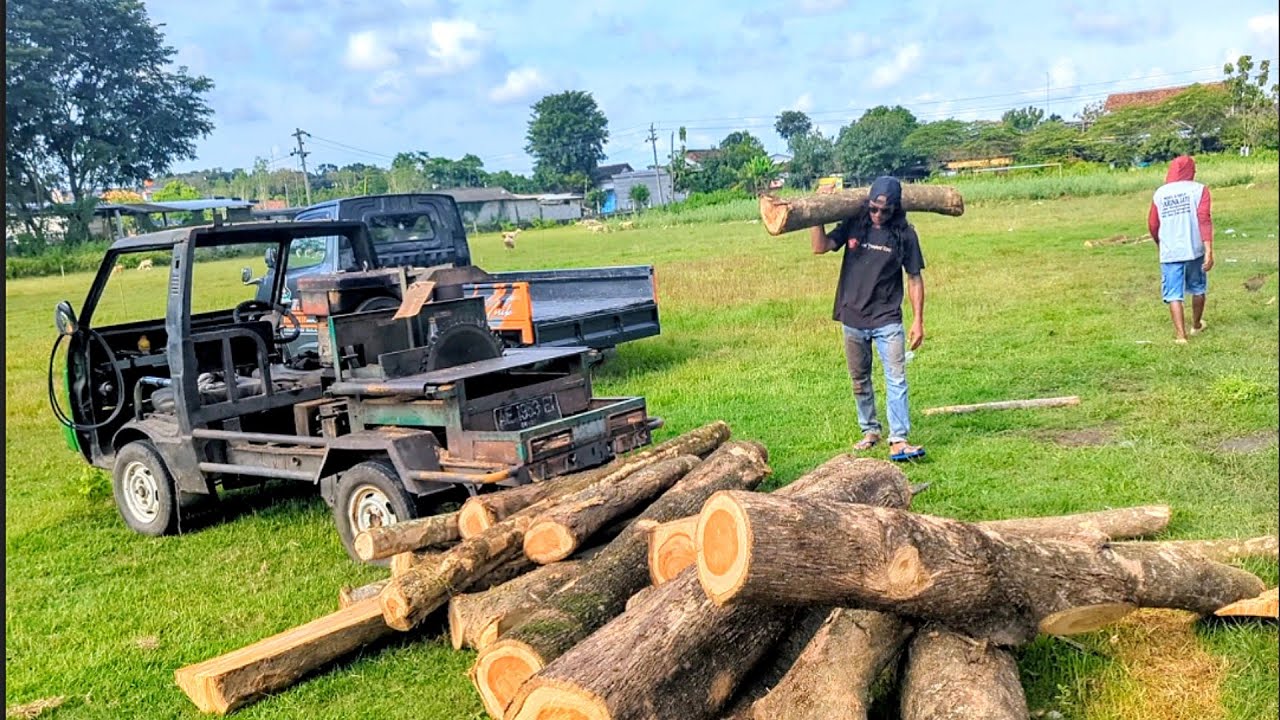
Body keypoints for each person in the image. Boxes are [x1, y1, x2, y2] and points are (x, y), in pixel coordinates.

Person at [811, 176, 926, 461]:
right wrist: (817, 211)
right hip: (852, 316)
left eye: (885, 211)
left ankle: (898, 439)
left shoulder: (905, 234)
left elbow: (914, 278)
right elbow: (820, 246)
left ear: (896, 209)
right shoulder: (855, 223)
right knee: (859, 379)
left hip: (887, 318)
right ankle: (870, 431)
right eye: (874, 209)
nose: (878, 215)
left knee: (896, 378)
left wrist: (918, 320)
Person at [1148, 155, 1214, 344]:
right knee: (1197, 287)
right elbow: (1204, 219)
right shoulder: (1199, 190)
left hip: (1170, 249)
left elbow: (1153, 224)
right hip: (1195, 247)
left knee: (1173, 293)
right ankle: (1196, 325)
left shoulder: (1160, 193)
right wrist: (1208, 249)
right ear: (1192, 170)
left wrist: (1160, 244)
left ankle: (1180, 335)